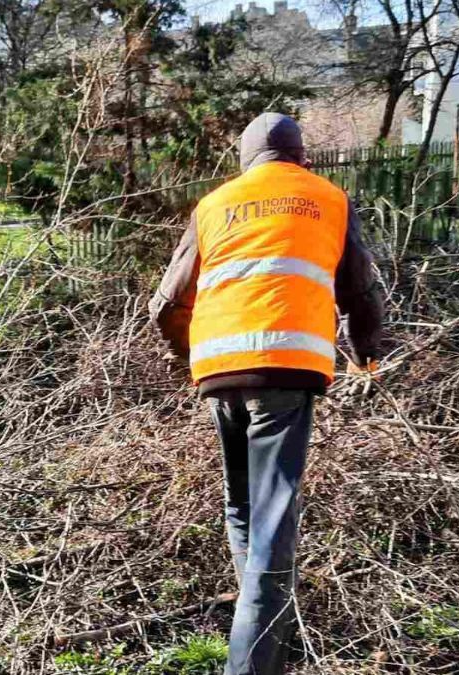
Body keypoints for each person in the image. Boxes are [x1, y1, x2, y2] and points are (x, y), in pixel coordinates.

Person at [148, 112, 385, 675]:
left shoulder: (214, 205)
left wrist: (187, 356)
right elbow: (360, 290)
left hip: (219, 371)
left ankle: (260, 635)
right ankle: (254, 663)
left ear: (246, 158)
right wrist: (364, 350)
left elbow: (166, 304)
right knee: (274, 522)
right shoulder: (327, 198)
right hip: (286, 369)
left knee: (243, 506)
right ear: (301, 156)